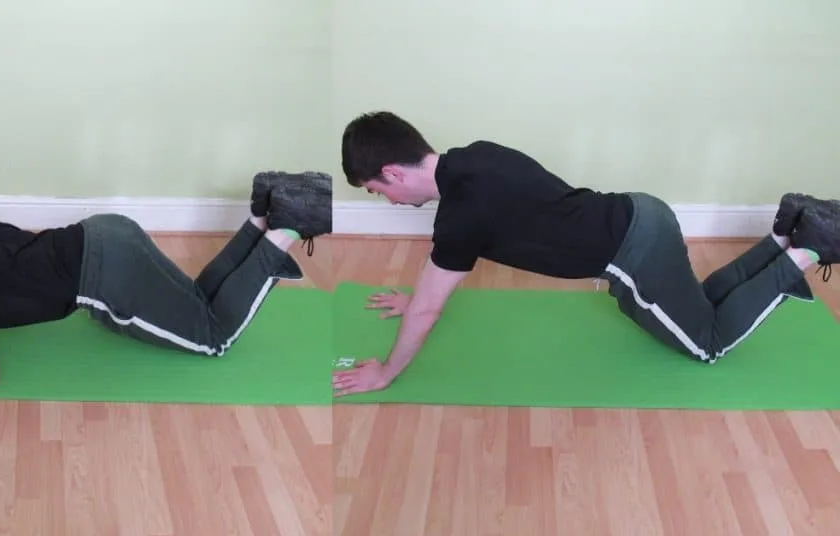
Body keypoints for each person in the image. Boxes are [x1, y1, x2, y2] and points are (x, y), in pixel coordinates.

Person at [332, 111, 837, 397]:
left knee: (707, 344)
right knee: (698, 304)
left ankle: (811, 248)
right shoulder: (477, 154)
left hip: (635, 252)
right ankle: (786, 234)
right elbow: (437, 276)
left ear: (393, 174)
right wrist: (415, 297)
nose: (387, 201)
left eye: (378, 191)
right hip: (642, 211)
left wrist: (386, 372)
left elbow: (430, 305)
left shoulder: (461, 216)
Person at [0, 170, 332, 390]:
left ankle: (287, 227)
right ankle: (265, 211)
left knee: (213, 338)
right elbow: (10, 245)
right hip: (105, 231)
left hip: (107, 277)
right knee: (195, 301)